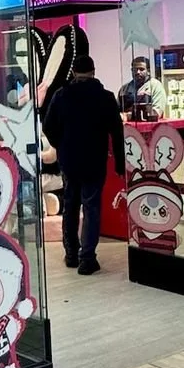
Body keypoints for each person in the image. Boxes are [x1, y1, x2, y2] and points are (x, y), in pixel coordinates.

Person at [42, 53, 125, 275]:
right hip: (94, 160)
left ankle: (71, 253)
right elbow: (117, 133)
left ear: (73, 72)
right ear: (93, 71)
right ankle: (87, 258)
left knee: (70, 206)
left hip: (69, 160)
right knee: (91, 207)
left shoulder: (61, 95)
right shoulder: (105, 97)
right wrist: (119, 162)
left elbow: (48, 126)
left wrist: (60, 144)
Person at [119, 55, 167, 121]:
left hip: (150, 129)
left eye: (141, 69)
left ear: (148, 71)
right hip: (127, 129)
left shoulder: (155, 86)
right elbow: (116, 112)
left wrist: (127, 116)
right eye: (135, 69)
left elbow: (156, 114)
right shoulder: (124, 89)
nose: (138, 72)